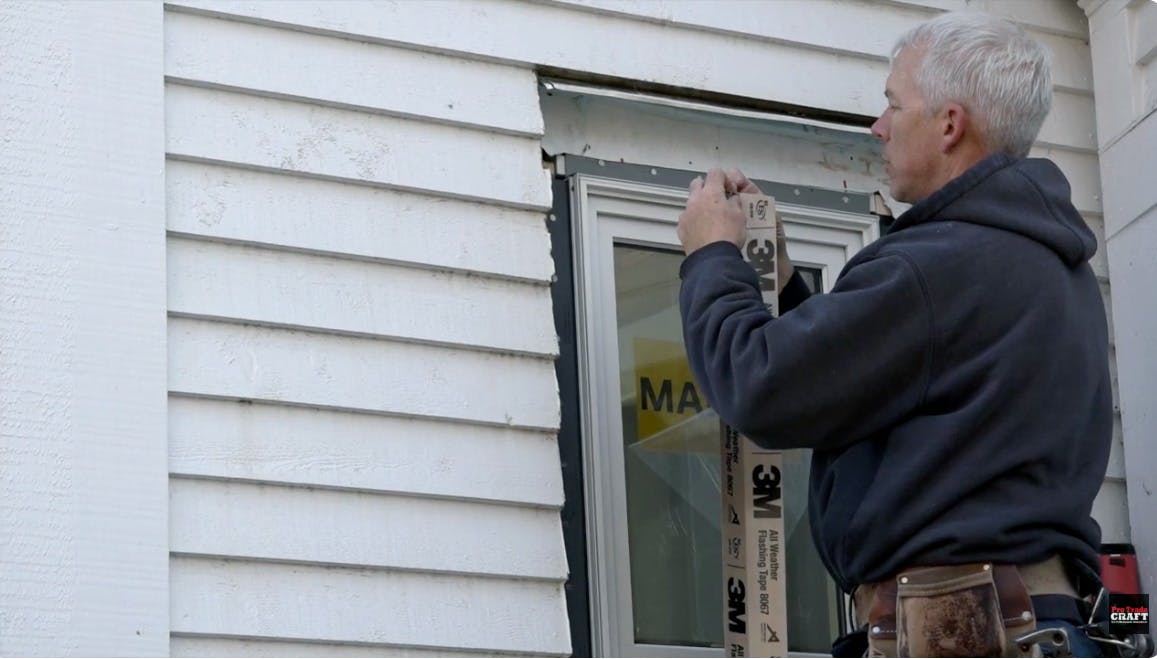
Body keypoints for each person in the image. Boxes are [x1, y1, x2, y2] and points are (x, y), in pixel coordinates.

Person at [676, 11, 1113, 658]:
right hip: (1025, 622)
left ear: (949, 124)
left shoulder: (936, 264)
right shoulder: (1046, 265)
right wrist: (787, 285)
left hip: (960, 632)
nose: (877, 127)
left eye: (892, 104)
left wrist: (710, 255)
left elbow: (759, 384)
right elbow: (873, 389)